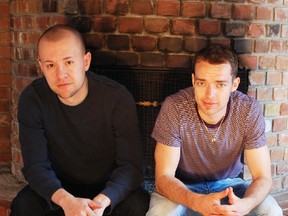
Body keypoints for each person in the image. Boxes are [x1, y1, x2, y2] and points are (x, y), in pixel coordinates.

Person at [10, 24, 149, 216]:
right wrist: (67, 201)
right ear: (41, 66)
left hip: (106, 190)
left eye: (68, 62)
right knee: (23, 205)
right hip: (59, 190)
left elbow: (131, 168)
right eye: (51, 65)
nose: (61, 75)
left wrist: (101, 203)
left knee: (138, 204)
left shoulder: (116, 98)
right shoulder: (32, 99)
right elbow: (35, 167)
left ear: (86, 61)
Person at [146, 43, 283, 216]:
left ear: (235, 85)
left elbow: (263, 177)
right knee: (161, 213)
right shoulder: (175, 107)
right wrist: (196, 202)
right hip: (183, 186)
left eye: (220, 85)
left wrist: (246, 205)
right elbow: (163, 178)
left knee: (272, 211)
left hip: (229, 185)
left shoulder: (247, 110)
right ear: (193, 81)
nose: (209, 94)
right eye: (202, 83)